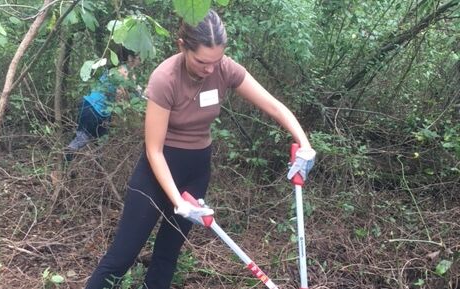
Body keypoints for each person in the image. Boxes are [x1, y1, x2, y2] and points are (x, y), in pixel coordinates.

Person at [85, 10, 316, 289]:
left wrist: (304, 144)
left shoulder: (224, 68)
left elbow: (274, 106)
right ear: (182, 46)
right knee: (122, 256)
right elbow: (154, 150)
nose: (210, 69)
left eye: (216, 61)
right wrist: (178, 201)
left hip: (197, 169)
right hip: (158, 170)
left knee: (168, 254)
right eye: (202, 62)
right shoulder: (165, 78)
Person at [64, 47, 141, 162]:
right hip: (93, 109)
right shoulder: (123, 71)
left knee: (100, 144)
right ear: (131, 58)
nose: (141, 60)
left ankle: (92, 173)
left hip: (100, 110)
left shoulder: (118, 70)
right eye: (139, 57)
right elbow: (122, 95)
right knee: (83, 139)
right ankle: (67, 164)